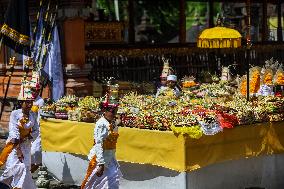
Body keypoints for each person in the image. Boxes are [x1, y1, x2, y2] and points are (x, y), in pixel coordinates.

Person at [0, 81, 39, 189]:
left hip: (26, 145)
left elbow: (36, 130)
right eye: (27, 102)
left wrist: (28, 138)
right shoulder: (15, 114)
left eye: (31, 102)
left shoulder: (33, 114)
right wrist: (18, 150)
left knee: (25, 168)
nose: (30, 105)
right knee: (12, 168)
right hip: (14, 146)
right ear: (21, 102)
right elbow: (13, 132)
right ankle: (5, 185)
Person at [81, 101, 122, 189]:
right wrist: (101, 164)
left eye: (114, 111)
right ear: (105, 111)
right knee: (95, 184)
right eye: (110, 111)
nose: (112, 113)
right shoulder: (101, 124)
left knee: (112, 182)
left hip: (110, 159)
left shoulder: (112, 123)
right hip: (100, 159)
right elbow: (98, 144)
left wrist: (115, 125)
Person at [30, 83, 45, 173]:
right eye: (32, 90)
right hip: (28, 128)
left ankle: (36, 167)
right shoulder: (28, 99)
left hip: (37, 129)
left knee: (35, 150)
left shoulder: (40, 101)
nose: (34, 92)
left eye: (36, 91)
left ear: (39, 91)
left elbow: (40, 117)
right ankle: (28, 172)